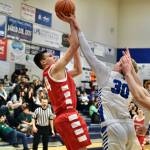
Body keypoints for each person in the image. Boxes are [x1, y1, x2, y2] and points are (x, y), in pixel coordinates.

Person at [57, 13, 141, 150]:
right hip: (129, 127)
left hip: (113, 127)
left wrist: (77, 28)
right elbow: (139, 84)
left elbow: (89, 54)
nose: (115, 63)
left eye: (118, 61)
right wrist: (130, 70)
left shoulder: (107, 74)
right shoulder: (133, 85)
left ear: (121, 65)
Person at [33, 15, 91, 150]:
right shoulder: (53, 69)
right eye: (50, 56)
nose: (54, 56)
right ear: (43, 62)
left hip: (63, 117)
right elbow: (75, 43)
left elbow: (78, 69)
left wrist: (74, 47)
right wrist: (72, 22)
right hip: (68, 115)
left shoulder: (54, 74)